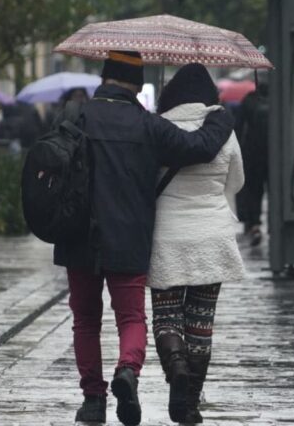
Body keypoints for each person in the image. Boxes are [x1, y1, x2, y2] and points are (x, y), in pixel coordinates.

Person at [53, 51, 233, 425]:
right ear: (136, 84)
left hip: (76, 236)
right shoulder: (146, 124)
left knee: (85, 320)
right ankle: (128, 371)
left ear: (104, 77)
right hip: (129, 238)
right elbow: (198, 146)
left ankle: (92, 401)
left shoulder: (75, 116)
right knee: (131, 317)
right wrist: (223, 118)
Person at [147, 63, 246, 424]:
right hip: (212, 236)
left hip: (166, 236)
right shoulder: (223, 131)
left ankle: (176, 369)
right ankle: (189, 405)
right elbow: (236, 183)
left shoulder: (158, 129)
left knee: (167, 317)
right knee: (201, 323)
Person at [235, 85, 269, 246]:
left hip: (252, 152)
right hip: (275, 152)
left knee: (254, 190)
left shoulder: (249, 100)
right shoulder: (279, 98)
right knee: (274, 190)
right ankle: (274, 225)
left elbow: (238, 127)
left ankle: (254, 223)